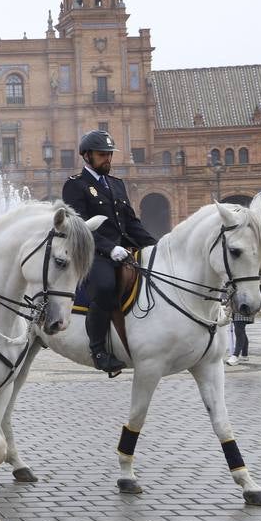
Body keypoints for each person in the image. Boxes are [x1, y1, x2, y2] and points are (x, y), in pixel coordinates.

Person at [62, 129, 158, 376]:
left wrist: (155, 246)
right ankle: (98, 351)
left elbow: (131, 222)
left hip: (123, 249)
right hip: (93, 252)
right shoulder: (76, 185)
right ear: (87, 156)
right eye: (102, 154)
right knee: (104, 287)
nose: (108, 158)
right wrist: (109, 247)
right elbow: (78, 226)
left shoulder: (116, 184)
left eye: (109, 154)